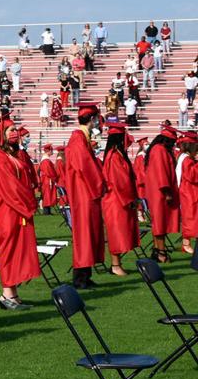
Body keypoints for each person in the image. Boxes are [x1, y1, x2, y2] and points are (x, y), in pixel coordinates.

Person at [0, 118, 40, 308]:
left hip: (15, 208)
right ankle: (7, 294)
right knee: (9, 249)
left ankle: (14, 294)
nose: (15, 133)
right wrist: (28, 205)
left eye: (15, 129)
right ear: (1, 134)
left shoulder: (13, 154)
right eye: (10, 130)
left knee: (17, 249)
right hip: (6, 210)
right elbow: (10, 188)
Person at [62, 104, 107, 289]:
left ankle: (85, 275)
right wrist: (100, 185)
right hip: (84, 194)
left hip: (86, 193)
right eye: (96, 118)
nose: (98, 121)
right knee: (84, 235)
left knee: (90, 234)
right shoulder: (78, 138)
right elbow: (85, 166)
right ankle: (80, 278)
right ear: (91, 119)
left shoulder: (82, 138)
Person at [101, 122, 139, 275]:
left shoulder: (117, 154)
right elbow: (120, 181)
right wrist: (130, 199)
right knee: (116, 232)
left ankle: (117, 264)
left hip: (118, 199)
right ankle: (115, 265)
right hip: (116, 200)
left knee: (120, 232)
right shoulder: (114, 156)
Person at [144, 126, 180, 263]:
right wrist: (166, 191)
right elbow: (161, 172)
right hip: (160, 192)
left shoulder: (158, 149)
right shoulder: (159, 150)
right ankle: (161, 252)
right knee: (160, 223)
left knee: (159, 222)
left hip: (157, 191)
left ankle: (157, 250)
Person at [38, 145, 59, 214]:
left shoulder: (45, 160)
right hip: (47, 180)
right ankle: (46, 211)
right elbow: (49, 171)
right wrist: (55, 177)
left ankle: (48, 211)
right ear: (48, 151)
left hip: (46, 179)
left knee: (48, 195)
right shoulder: (46, 161)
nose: (52, 152)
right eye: (51, 151)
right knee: (47, 195)